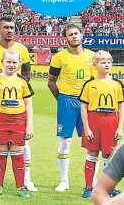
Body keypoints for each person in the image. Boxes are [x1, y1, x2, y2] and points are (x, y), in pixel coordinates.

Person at [0, 16, 35, 191]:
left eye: (12, 27)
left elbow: (26, 75)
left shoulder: (23, 50)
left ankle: (27, 180)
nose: (9, 30)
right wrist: (2, 73)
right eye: (6, 27)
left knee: (24, 144)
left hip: (16, 110)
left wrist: (15, 82)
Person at [49, 24, 96, 192]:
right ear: (66, 38)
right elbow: (52, 82)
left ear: (82, 35)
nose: (74, 36)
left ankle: (93, 182)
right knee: (65, 141)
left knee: (92, 143)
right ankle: (64, 180)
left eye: (76, 33)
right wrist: (61, 100)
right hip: (67, 102)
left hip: (88, 103)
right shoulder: (59, 57)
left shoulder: (92, 56)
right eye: (70, 34)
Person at [0, 49, 34, 199]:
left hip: (18, 121)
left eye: (14, 62)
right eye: (8, 62)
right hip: (0, 120)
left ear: (19, 64)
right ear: (2, 62)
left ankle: (21, 186)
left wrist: (29, 125)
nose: (11, 65)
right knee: (0, 155)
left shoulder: (22, 82)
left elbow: (28, 105)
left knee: (18, 155)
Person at [79, 51, 124, 199]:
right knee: (92, 154)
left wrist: (119, 127)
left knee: (108, 155)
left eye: (108, 62)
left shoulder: (117, 84)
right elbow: (84, 107)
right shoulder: (89, 84)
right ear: (95, 65)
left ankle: (108, 188)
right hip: (94, 118)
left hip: (111, 120)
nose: (106, 64)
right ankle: (88, 187)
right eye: (103, 62)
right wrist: (86, 127)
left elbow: (121, 107)